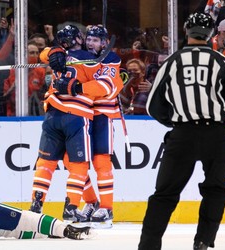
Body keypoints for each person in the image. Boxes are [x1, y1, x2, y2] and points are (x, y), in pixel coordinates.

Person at [138, 12, 225, 250]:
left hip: (183, 135)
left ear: (186, 31)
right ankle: (203, 241)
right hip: (217, 136)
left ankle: (148, 246)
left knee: (164, 195)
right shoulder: (222, 62)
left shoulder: (172, 62)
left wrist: (176, 122)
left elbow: (153, 105)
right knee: (215, 190)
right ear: (211, 34)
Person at [29, 25, 108, 222]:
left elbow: (44, 55)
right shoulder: (93, 60)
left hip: (53, 115)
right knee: (78, 165)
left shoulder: (59, 56)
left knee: (45, 163)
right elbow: (103, 88)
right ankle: (71, 207)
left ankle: (36, 204)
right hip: (77, 116)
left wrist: (53, 49)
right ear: (79, 39)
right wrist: (80, 86)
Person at [68, 25, 124, 227]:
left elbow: (107, 87)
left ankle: (107, 208)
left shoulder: (111, 59)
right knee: (73, 161)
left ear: (103, 42)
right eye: (88, 39)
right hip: (81, 115)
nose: (91, 43)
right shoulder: (80, 55)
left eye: (95, 40)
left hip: (102, 114)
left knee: (101, 161)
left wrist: (80, 87)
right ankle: (91, 202)